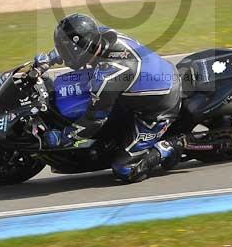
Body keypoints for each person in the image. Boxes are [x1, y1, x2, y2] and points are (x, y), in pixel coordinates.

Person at [34, 13, 184, 182]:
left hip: (160, 107)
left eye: (65, 49)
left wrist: (64, 137)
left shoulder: (108, 76)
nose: (64, 52)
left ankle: (169, 147)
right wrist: (50, 58)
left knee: (125, 169)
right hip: (153, 78)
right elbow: (78, 45)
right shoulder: (102, 36)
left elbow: (94, 119)